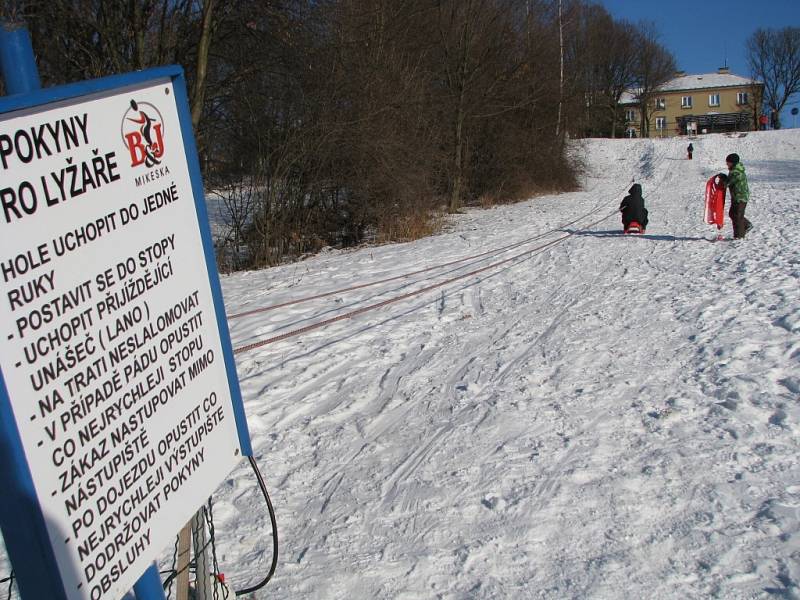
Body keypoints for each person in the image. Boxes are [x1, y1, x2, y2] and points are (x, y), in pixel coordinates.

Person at [722, 153, 752, 239]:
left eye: (728, 162)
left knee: (737, 216)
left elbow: (727, 183)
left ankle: (739, 236)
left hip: (740, 197)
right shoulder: (734, 170)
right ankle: (746, 225)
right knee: (733, 214)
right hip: (737, 196)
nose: (727, 164)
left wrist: (723, 178)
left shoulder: (736, 172)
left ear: (733, 162)